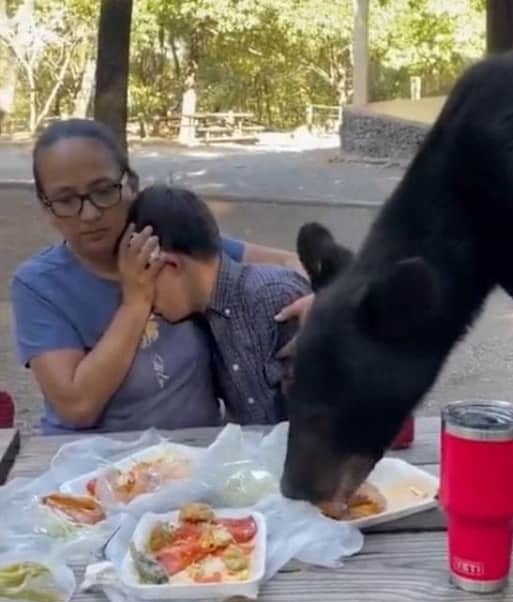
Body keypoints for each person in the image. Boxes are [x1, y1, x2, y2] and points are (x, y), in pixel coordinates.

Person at [10, 118, 311, 435]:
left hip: (194, 456)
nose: (90, 214)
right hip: (90, 466)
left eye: (103, 191)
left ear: (131, 185)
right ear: (46, 207)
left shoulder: (168, 243)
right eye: (66, 200)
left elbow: (288, 260)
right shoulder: (39, 285)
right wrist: (134, 304)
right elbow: (77, 408)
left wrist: (323, 300)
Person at [128, 184, 310, 424]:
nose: (146, 301)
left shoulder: (273, 298)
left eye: (143, 279)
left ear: (169, 265)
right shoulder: (205, 319)